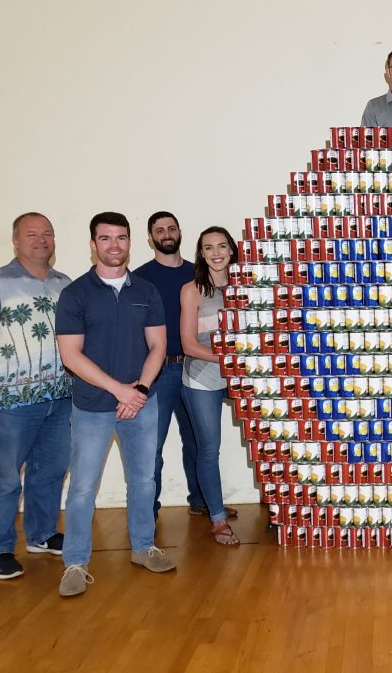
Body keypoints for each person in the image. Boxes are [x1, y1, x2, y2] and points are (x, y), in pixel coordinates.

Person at [55, 211, 175, 597]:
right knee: (83, 488)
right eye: (105, 238)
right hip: (92, 406)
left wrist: (138, 389)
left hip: (142, 403)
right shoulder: (75, 294)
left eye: (121, 238)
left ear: (130, 242)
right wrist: (120, 390)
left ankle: (143, 548)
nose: (114, 245)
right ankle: (75, 562)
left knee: (143, 480)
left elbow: (158, 346)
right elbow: (71, 356)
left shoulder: (146, 291)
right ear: (93, 245)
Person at [0, 213, 71, 580]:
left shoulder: (64, 284)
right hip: (9, 404)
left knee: (51, 471)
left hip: (60, 398)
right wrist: (7, 373)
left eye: (47, 234)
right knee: (3, 477)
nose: (41, 240)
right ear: (15, 241)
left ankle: (41, 534)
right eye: (32, 234)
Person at [133, 211, 214, 520]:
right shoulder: (140, 278)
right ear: (151, 238)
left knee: (199, 440)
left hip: (197, 367)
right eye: (159, 230)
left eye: (171, 228)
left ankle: (204, 501)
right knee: (151, 445)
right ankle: (147, 511)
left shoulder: (200, 274)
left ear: (180, 232)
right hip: (160, 371)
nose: (166, 233)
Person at [179, 227, 240, 545]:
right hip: (203, 377)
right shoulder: (192, 290)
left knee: (268, 443)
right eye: (208, 248)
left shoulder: (248, 286)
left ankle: (279, 511)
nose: (216, 253)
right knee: (208, 449)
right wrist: (230, 359)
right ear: (200, 254)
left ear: (232, 250)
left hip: (242, 375)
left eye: (221, 246)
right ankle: (217, 518)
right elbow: (189, 345)